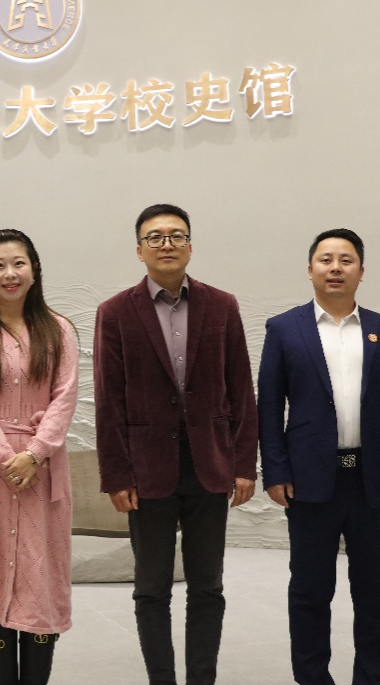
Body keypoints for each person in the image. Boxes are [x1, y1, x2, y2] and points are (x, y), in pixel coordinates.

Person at [94, 203, 258, 685]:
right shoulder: (115, 312)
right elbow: (108, 401)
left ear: (190, 245)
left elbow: (241, 389)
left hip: (211, 464)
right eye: (155, 237)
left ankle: (201, 678)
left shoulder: (222, 305)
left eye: (176, 235)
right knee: (151, 588)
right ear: (139, 250)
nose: (166, 244)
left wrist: (243, 463)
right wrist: (116, 475)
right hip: (146, 471)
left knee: (208, 586)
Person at [258, 228, 380, 685]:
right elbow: (269, 407)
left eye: (346, 260)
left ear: (361, 271)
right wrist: (275, 470)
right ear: (310, 269)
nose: (335, 268)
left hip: (373, 483)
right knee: (310, 592)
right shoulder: (284, 328)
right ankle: (312, 678)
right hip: (309, 482)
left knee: (375, 593)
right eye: (326, 259)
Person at [0, 229, 78, 685]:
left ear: (34, 270)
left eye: (18, 263)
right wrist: (9, 458)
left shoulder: (59, 330)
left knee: (41, 579)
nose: (10, 273)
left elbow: (65, 398)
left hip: (44, 469)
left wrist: (35, 454)